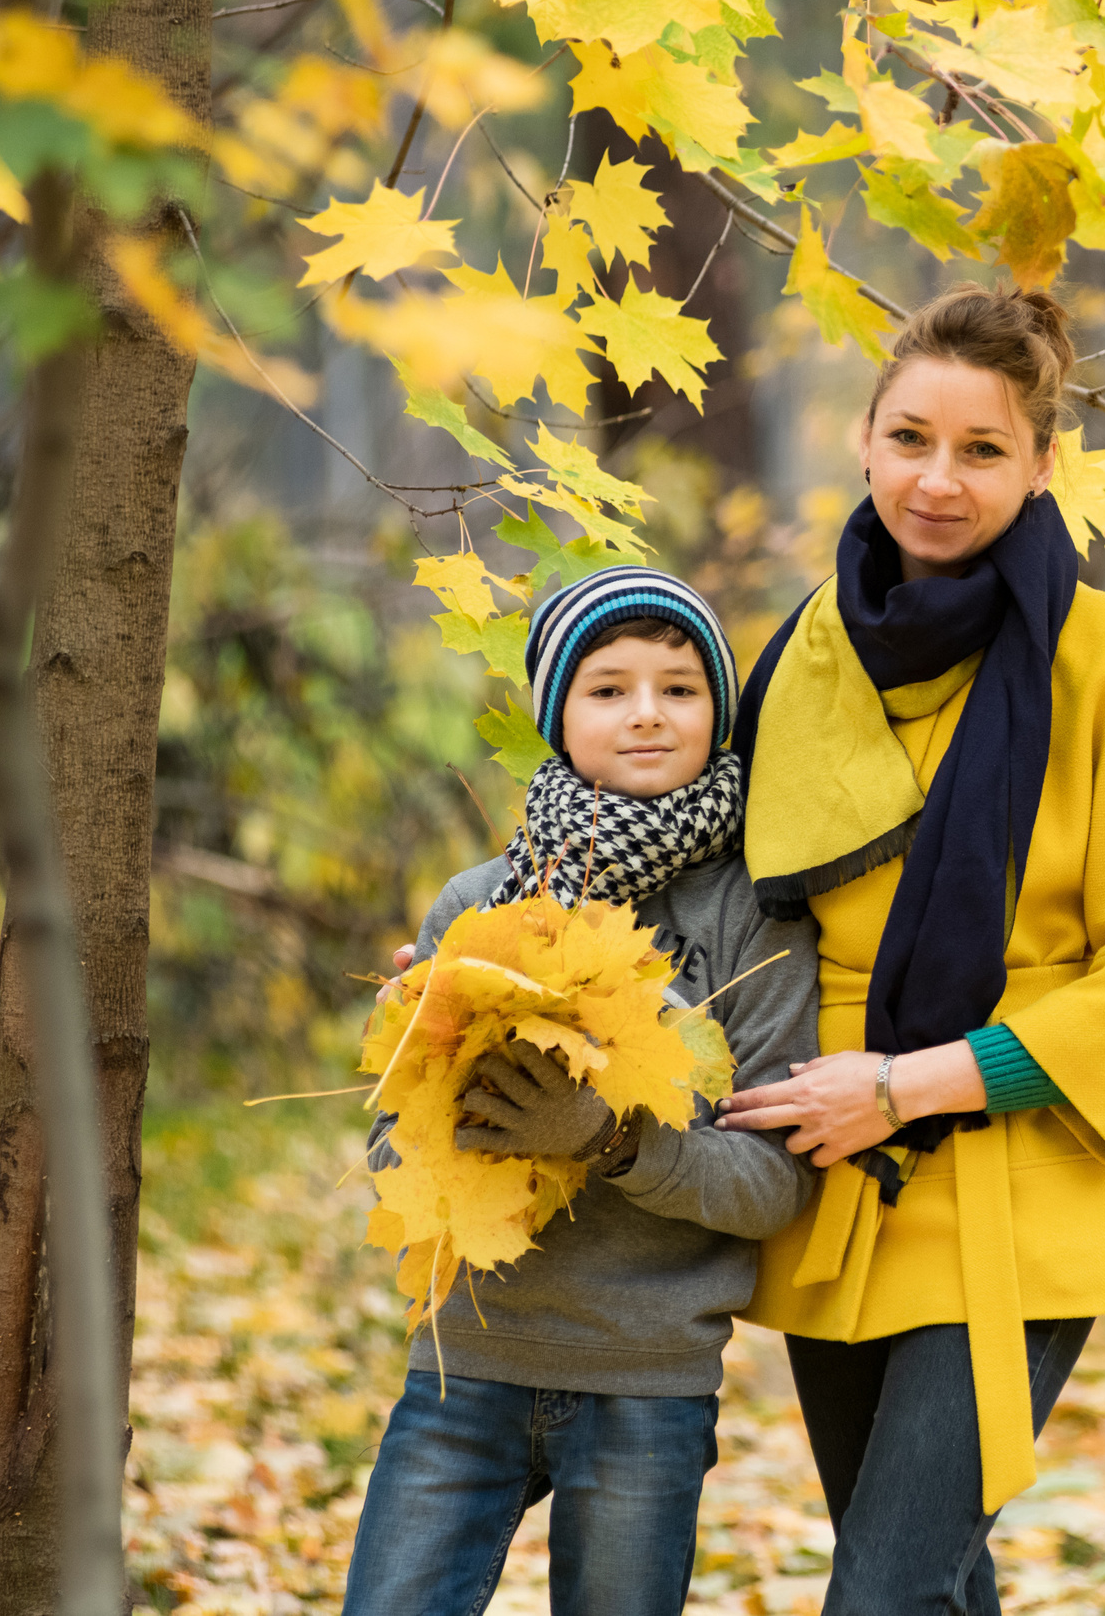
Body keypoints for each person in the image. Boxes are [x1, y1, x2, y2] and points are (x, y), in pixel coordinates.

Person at [713, 284, 1105, 1616]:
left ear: (1044, 462)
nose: (936, 480)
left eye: (982, 448)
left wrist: (905, 1084)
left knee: (883, 1594)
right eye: (910, 439)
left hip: (1018, 1170)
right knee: (934, 1590)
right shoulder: (805, 650)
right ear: (866, 441)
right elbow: (712, 892)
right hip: (833, 1178)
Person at [344, 566, 819, 1616]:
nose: (647, 714)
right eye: (608, 689)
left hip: (647, 1379)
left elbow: (777, 1184)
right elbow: (390, 1149)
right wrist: (453, 1097)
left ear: (720, 710)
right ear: (558, 713)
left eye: (680, 688)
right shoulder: (480, 905)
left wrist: (614, 1142)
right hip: (466, 1363)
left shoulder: (756, 918)